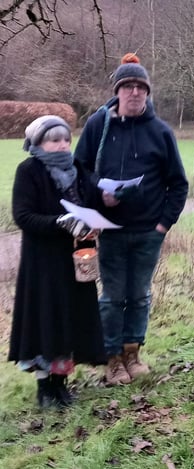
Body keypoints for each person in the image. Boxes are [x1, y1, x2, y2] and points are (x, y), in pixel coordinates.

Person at [74, 53, 188, 385]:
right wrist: (98, 195)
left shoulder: (160, 132)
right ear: (118, 91)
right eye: (128, 86)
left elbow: (178, 183)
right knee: (112, 296)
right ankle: (112, 359)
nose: (135, 92)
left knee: (139, 294)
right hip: (109, 230)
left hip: (147, 231)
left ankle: (132, 353)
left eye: (141, 87)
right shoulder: (99, 125)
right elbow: (80, 170)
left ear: (147, 93)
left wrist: (163, 225)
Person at [9, 115, 106, 408]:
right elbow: (23, 216)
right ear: (38, 143)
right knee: (46, 321)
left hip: (75, 259)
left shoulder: (77, 169)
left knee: (69, 319)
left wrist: (96, 217)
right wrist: (60, 222)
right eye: (54, 140)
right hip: (42, 264)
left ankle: (61, 385)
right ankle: (44, 388)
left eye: (66, 139)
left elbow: (91, 203)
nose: (63, 145)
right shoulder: (29, 171)